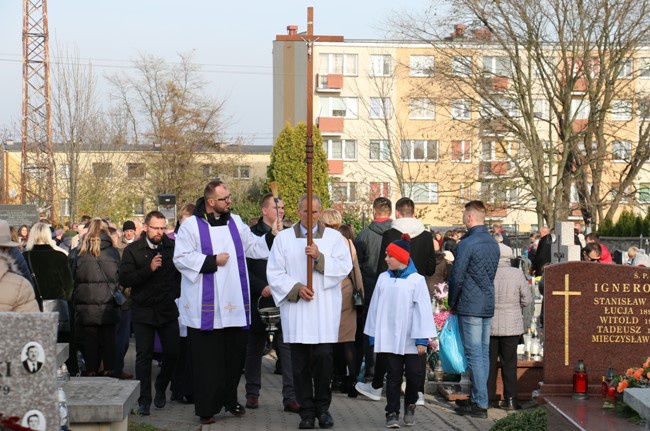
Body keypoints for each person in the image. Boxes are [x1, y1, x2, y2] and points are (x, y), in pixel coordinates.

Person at [173, 180, 279, 425]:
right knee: (207, 362)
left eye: (229, 197)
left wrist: (271, 234)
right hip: (204, 306)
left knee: (233, 358)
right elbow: (181, 258)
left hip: (233, 303)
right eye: (225, 198)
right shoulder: (191, 225)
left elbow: (252, 246)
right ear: (211, 202)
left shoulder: (235, 221)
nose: (229, 201)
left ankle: (230, 399)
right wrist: (211, 261)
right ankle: (206, 409)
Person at [267, 194, 352, 430]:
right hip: (298, 312)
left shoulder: (334, 238)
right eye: (305, 211)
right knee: (300, 365)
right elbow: (274, 273)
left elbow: (345, 267)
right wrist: (295, 288)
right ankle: (306, 411)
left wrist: (319, 258)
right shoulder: (283, 239)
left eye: (315, 212)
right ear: (298, 211)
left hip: (324, 311)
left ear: (320, 212)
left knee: (324, 361)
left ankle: (323, 409)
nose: (310, 216)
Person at [360, 197, 434, 405]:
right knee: (418, 341)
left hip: (394, 293)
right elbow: (430, 268)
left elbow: (385, 267)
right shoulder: (427, 236)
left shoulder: (390, 234)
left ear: (398, 213)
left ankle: (377, 384)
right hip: (418, 290)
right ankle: (417, 391)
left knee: (390, 340)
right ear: (414, 212)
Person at [365, 234, 436, 428]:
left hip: (411, 338)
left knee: (413, 375)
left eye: (390, 256)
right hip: (389, 337)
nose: (386, 259)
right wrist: (373, 335)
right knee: (393, 376)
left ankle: (411, 403)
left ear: (402, 258)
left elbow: (423, 309)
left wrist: (422, 339)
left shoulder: (416, 280)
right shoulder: (383, 278)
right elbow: (375, 307)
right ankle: (392, 412)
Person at [120, 211, 181, 416]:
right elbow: (126, 279)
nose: (159, 232)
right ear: (146, 227)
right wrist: (149, 268)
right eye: (155, 228)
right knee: (143, 356)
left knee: (173, 352)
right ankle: (144, 399)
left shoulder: (172, 247)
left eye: (163, 228)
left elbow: (181, 274)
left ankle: (161, 387)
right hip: (143, 310)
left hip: (167, 308)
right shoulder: (133, 250)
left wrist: (175, 292)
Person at [244, 193, 299, 413]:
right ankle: (252, 393)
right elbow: (245, 268)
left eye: (283, 207)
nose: (281, 211)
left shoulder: (288, 235)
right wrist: (261, 286)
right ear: (264, 211)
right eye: (276, 207)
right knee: (254, 346)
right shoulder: (250, 235)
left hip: (282, 298)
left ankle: (291, 396)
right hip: (259, 297)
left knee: (286, 347)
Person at [449, 200, 500, 419]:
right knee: (483, 354)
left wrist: (452, 302)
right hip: (486, 302)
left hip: (470, 304)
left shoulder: (466, 244)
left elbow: (457, 276)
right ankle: (478, 397)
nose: (463, 218)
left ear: (470, 217)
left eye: (464, 215)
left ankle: (480, 403)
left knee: (474, 354)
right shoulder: (493, 243)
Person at [320, 209, 364, 398]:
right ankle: (352, 380)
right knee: (347, 340)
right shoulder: (347, 242)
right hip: (345, 289)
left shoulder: (320, 241)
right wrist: (360, 293)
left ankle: (331, 379)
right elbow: (355, 270)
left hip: (325, 289)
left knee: (327, 339)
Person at [71, 218, 121, 377]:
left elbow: (73, 277)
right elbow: (118, 276)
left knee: (90, 340)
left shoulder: (79, 252)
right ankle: (109, 369)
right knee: (109, 339)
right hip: (107, 302)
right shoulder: (113, 252)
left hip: (85, 303)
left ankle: (91, 370)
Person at [487, 243, 532, 411]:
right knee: (510, 364)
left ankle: (488, 399)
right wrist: (515, 306)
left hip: (490, 323)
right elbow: (527, 299)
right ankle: (511, 400)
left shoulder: (488, 272)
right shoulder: (517, 273)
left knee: (489, 364)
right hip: (512, 325)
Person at [353, 197, 391, 385]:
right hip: (393, 288)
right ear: (390, 213)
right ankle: (391, 375)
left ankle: (371, 374)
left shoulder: (363, 235)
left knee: (370, 331)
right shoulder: (398, 234)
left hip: (369, 287)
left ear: (374, 212)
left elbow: (357, 266)